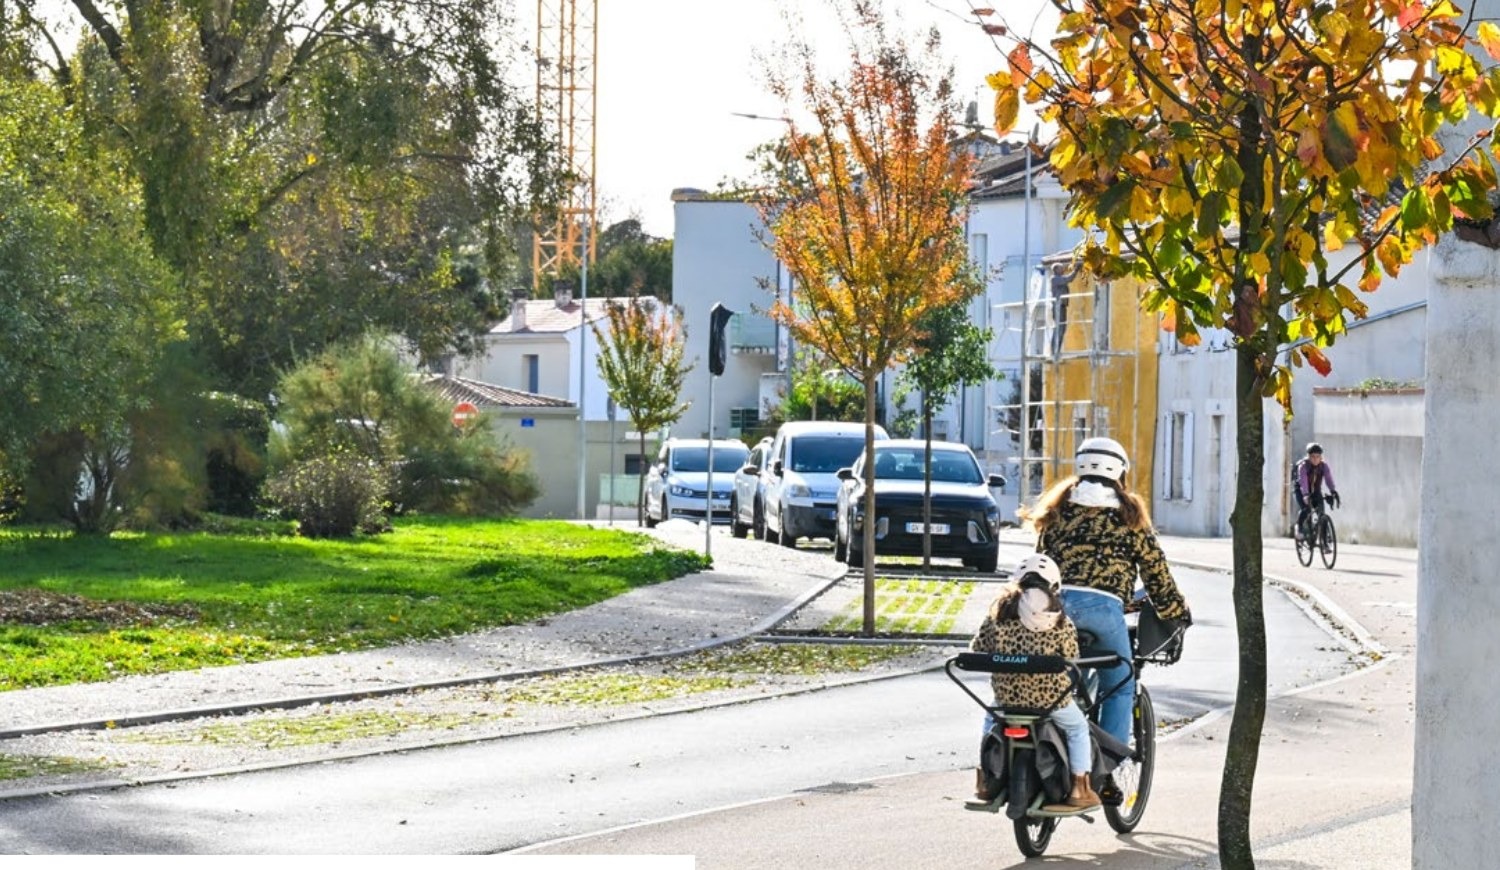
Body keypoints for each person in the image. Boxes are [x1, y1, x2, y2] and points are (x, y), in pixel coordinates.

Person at [1018, 437, 1190, 749]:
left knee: (1051, 677)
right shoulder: (1129, 515)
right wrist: (1177, 613)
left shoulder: (1057, 510)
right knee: (1120, 684)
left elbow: (1039, 563)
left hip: (1056, 609)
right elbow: (1156, 573)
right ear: (1120, 473)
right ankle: (1108, 760)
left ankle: (1051, 744)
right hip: (1104, 611)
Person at [967, 554, 1100, 812]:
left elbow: (978, 648)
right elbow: (1071, 657)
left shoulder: (999, 613)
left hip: (1007, 699)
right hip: (1051, 700)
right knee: (1077, 728)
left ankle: (984, 781)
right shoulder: (1059, 618)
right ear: (1053, 585)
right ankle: (1079, 788)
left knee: (990, 718)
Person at [1293, 442, 1340, 540]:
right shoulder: (1303, 466)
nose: (1315, 459)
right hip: (1301, 490)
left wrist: (1333, 491)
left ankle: (1324, 540)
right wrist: (1305, 494)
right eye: (1313, 456)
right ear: (1308, 456)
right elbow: (1303, 482)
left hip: (1315, 491)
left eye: (1318, 456)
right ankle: (1299, 528)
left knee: (1321, 513)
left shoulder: (1324, 466)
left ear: (1321, 457)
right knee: (1306, 509)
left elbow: (1328, 479)